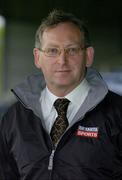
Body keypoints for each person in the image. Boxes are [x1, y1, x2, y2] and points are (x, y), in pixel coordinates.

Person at [0, 9, 122, 180]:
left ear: (88, 56)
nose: (62, 60)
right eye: (52, 50)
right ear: (37, 57)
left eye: (71, 50)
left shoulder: (117, 114)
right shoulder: (13, 119)